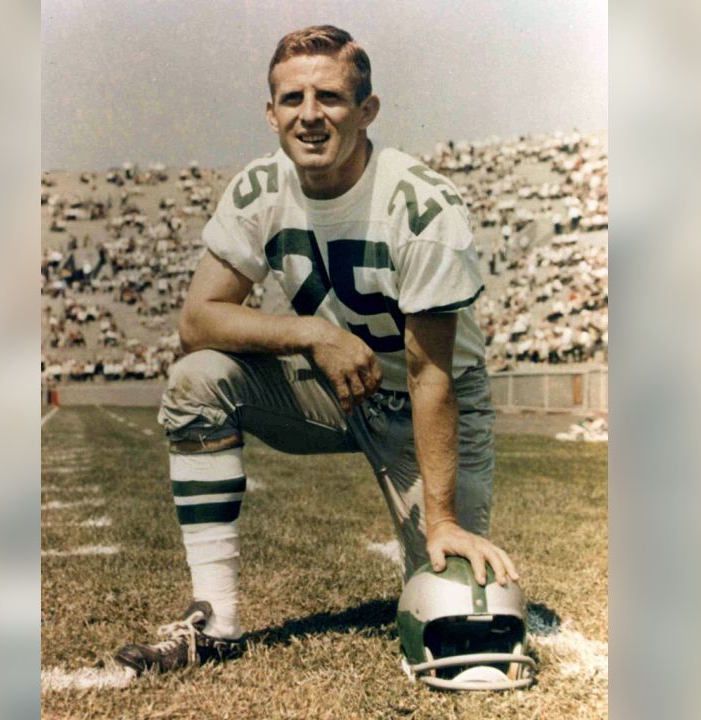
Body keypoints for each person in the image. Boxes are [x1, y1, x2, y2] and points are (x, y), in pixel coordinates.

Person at [114, 25, 519, 675]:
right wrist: (314, 333)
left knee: (448, 601)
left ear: (367, 111)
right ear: (270, 112)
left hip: (426, 401)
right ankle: (215, 620)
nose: (309, 115)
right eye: (291, 98)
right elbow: (197, 320)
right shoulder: (259, 190)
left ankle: (436, 537)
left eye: (329, 97)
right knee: (197, 377)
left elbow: (430, 372)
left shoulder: (420, 204)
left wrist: (441, 519)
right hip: (334, 387)